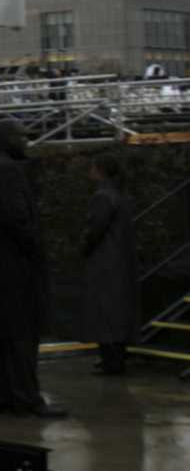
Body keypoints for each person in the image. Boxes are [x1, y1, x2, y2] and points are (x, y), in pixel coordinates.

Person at [0, 119, 67, 417]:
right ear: (7, 138)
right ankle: (27, 399)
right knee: (22, 339)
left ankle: (2, 399)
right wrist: (36, 251)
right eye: (22, 137)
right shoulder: (7, 170)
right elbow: (18, 220)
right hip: (14, 271)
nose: (27, 142)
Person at [80, 153, 138, 375]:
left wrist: (84, 247)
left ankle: (110, 361)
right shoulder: (120, 195)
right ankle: (117, 358)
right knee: (118, 310)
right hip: (121, 259)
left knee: (104, 311)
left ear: (99, 170)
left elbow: (95, 229)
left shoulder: (102, 197)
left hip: (105, 260)